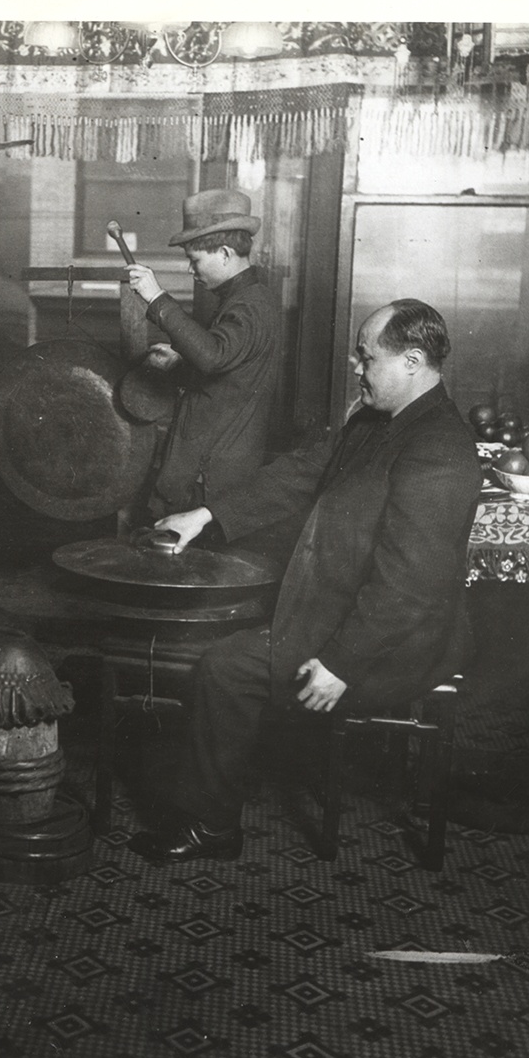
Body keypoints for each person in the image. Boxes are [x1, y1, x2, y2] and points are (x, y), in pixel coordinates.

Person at [130, 299, 482, 862]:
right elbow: (300, 475)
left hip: (397, 643)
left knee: (223, 669)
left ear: (413, 360)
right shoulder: (377, 419)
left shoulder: (440, 449)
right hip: (348, 608)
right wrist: (207, 516)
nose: (356, 367)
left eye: (367, 358)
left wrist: (342, 663)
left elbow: (409, 587)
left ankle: (211, 827)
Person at [125, 188, 281, 523]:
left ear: (224, 253)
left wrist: (156, 298)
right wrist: (179, 364)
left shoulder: (251, 306)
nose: (191, 270)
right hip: (205, 473)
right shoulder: (242, 300)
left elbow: (213, 357)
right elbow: (226, 378)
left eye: (195, 260)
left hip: (209, 481)